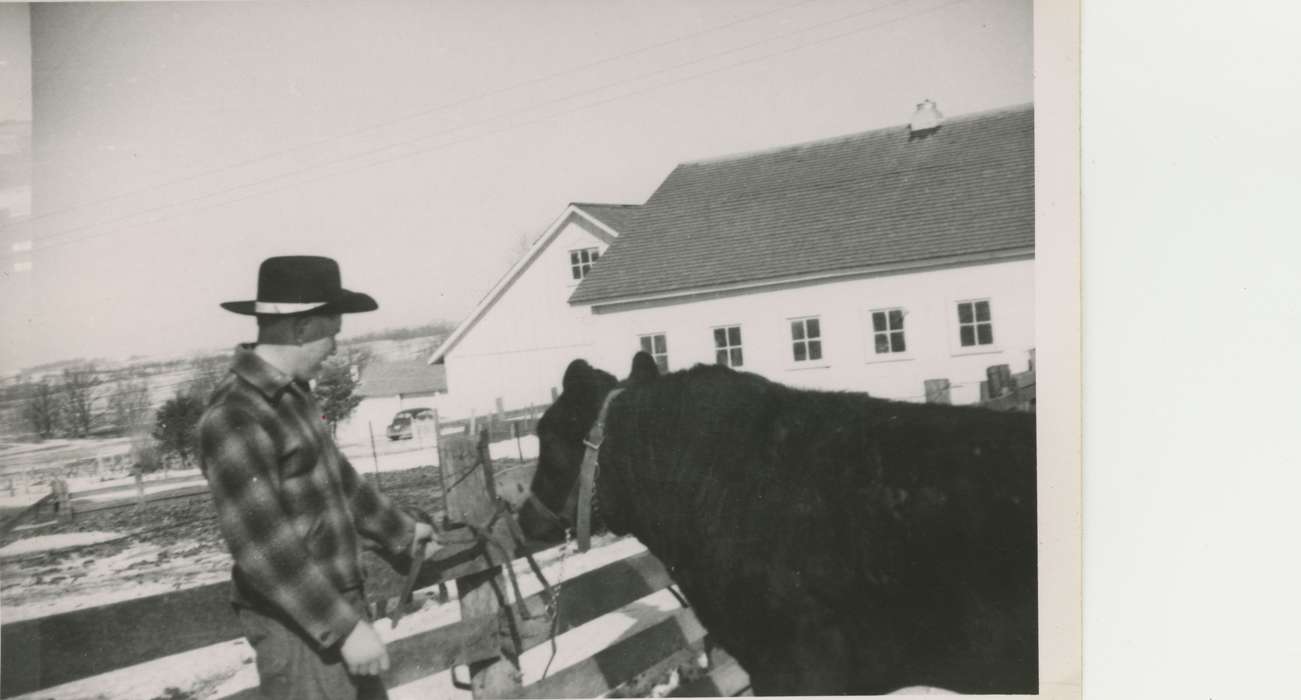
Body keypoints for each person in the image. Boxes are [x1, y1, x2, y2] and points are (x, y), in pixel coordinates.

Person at [199, 255, 436, 700]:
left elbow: (341, 485)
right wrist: (346, 630)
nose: (335, 347)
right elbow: (262, 549)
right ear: (302, 328)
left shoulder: (294, 399)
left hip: (334, 611)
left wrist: (404, 532)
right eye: (333, 332)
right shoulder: (234, 415)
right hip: (298, 626)